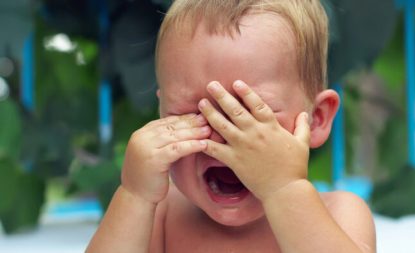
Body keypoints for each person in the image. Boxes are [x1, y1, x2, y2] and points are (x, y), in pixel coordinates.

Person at [86, 0, 376, 252]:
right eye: (190, 113)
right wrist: (134, 196)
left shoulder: (340, 213)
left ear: (316, 119)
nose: (222, 133)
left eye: (247, 112)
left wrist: (283, 189)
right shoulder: (160, 214)